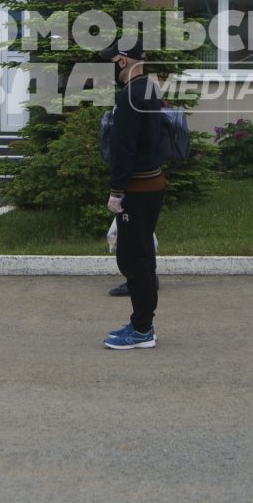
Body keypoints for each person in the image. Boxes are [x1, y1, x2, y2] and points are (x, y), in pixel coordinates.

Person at [103, 38, 165, 349]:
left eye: (113, 60)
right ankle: (142, 323)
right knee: (143, 255)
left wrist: (117, 190)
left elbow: (123, 149)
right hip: (152, 182)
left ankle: (142, 329)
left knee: (133, 258)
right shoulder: (151, 89)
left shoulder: (130, 95)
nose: (112, 66)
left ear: (124, 61)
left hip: (136, 188)